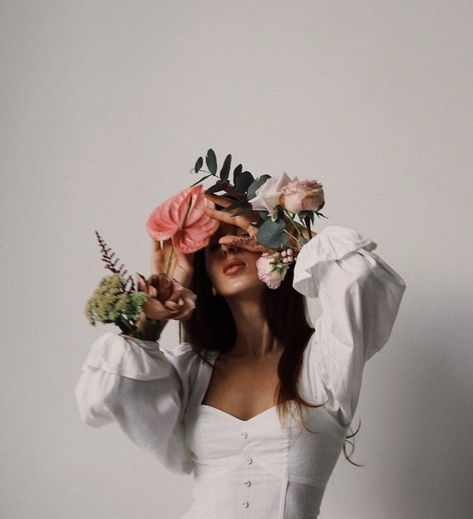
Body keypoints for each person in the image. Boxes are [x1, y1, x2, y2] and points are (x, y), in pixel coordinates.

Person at [75, 191, 406, 518]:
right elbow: (103, 397)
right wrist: (153, 313)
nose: (227, 246)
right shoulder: (191, 370)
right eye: (212, 245)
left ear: (273, 252)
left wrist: (283, 232)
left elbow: (359, 277)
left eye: (240, 233)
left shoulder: (324, 360)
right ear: (210, 283)